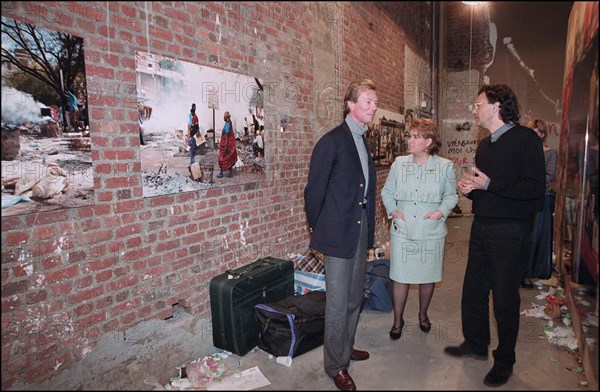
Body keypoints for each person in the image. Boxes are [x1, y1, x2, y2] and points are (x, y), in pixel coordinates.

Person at [444, 84, 546, 387]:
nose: (474, 110)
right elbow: (486, 190)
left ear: (497, 106)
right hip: (483, 225)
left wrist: (488, 186)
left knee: (503, 298)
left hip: (511, 231)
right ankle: (475, 343)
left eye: (478, 104)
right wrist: (471, 190)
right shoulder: (485, 145)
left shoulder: (526, 140)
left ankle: (505, 360)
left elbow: (534, 191)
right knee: (473, 291)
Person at [304, 79, 377, 391]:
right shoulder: (332, 141)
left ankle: (344, 350)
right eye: (368, 102)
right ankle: (335, 365)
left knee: (353, 296)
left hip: (358, 230)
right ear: (351, 104)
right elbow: (313, 193)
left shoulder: (362, 140)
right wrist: (320, 232)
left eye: (375, 103)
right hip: (337, 232)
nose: (374, 108)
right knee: (336, 302)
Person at [380, 118, 458, 340]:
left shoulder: (444, 167)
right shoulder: (399, 164)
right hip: (403, 229)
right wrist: (393, 211)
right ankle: (397, 321)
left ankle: (423, 315)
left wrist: (440, 212)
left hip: (430, 230)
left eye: (416, 136)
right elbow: (387, 192)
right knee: (400, 277)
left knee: (427, 277)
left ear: (429, 142)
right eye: (410, 136)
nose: (410, 140)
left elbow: (451, 195)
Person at [522, 119, 558, 287]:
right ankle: (521, 273)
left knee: (538, 236)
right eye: (531, 132)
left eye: (537, 132)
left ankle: (534, 274)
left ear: (543, 134)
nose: (534, 136)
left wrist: (528, 182)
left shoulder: (551, 153)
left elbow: (549, 176)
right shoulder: (523, 152)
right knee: (523, 236)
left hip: (542, 198)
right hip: (523, 199)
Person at [216, 111, 237, 178]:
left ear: (225, 117)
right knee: (228, 158)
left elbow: (227, 135)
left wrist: (225, 145)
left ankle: (221, 172)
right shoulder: (229, 123)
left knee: (221, 158)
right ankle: (230, 173)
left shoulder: (227, 124)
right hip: (229, 144)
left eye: (224, 117)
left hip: (226, 145)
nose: (223, 118)